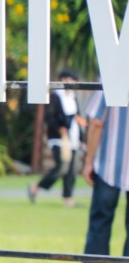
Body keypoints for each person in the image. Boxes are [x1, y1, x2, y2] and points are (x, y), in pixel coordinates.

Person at [74, 89, 129, 263]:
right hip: (112, 164)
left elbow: (97, 122)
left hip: (110, 164)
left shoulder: (111, 73)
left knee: (100, 221)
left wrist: (88, 161)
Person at [30, 70, 84, 206]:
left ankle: (68, 198)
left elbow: (76, 117)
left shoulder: (73, 97)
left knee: (71, 170)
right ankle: (37, 187)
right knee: (62, 167)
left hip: (73, 139)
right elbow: (49, 117)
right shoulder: (55, 97)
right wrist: (60, 128)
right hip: (59, 138)